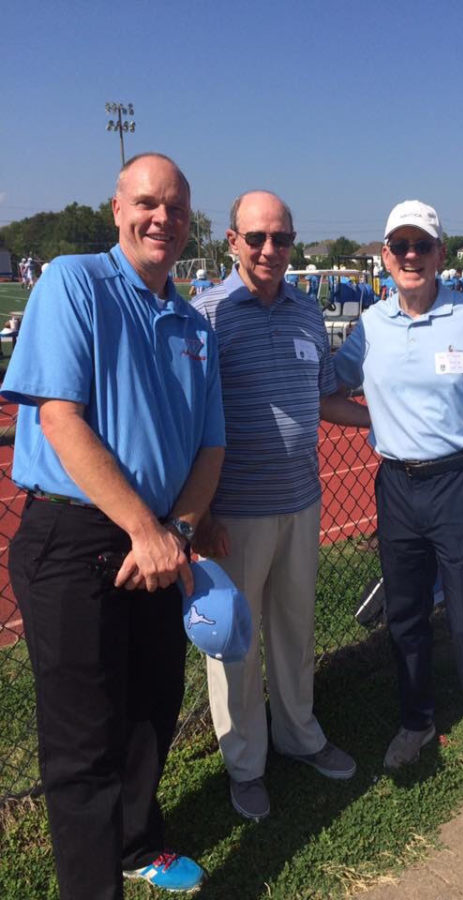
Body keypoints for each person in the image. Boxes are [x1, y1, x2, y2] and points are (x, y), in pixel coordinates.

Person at [4, 153, 226, 897]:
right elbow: (60, 418)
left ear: (191, 223)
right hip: (76, 540)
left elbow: (210, 443)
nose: (160, 217)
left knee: (152, 710)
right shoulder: (74, 281)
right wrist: (143, 528)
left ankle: (137, 842)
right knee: (83, 744)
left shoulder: (193, 321)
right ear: (117, 208)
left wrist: (179, 530)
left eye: (176, 208)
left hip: (162, 540)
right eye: (146, 202)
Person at [192, 190, 370, 822]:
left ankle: (299, 735)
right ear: (233, 240)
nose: (271, 250)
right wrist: (199, 514)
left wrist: (390, 427)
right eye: (258, 237)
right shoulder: (207, 315)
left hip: (301, 503)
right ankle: (245, 763)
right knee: (236, 646)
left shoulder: (304, 311)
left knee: (295, 632)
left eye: (283, 239)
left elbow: (322, 395)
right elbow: (191, 419)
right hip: (232, 514)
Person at [334, 200, 463, 789]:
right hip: (397, 487)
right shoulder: (371, 326)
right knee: (405, 615)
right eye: (400, 246)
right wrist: (379, 424)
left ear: (440, 253)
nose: (411, 256)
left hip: (462, 481)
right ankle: (417, 721)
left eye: (422, 246)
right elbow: (329, 391)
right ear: (385, 256)